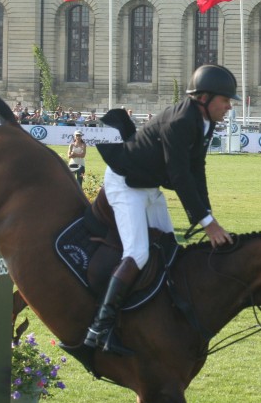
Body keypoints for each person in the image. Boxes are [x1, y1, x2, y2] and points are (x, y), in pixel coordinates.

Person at [87, 64, 238, 354]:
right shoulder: (181, 121)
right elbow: (179, 175)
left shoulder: (205, 121)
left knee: (169, 247)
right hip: (126, 185)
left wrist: (208, 214)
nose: (229, 106)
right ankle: (101, 327)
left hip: (149, 186)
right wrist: (207, 224)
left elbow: (197, 170)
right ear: (204, 98)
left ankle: (156, 313)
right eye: (225, 100)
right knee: (138, 253)